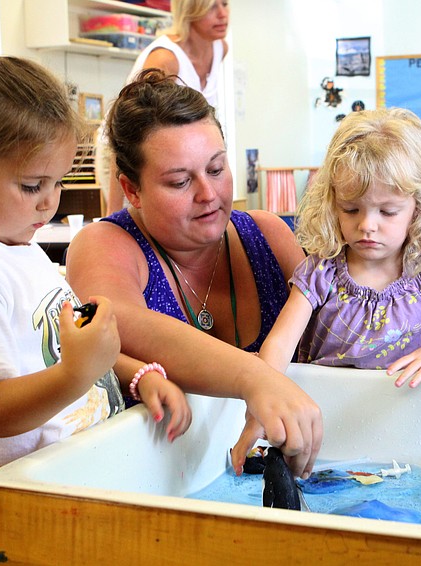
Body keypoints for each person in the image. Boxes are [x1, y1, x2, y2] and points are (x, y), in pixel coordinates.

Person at [0, 27, 191, 478]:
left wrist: (138, 374)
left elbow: (71, 348)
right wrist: (75, 376)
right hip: (10, 505)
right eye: (31, 185)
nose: (50, 202)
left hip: (71, 475)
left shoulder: (11, 241)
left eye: (58, 182)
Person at [66, 70, 321, 478]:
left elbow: (337, 332)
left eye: (217, 169)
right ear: (132, 190)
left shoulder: (269, 235)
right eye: (180, 181)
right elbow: (117, 323)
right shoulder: (105, 244)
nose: (208, 194)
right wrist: (256, 378)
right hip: (157, 483)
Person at [258, 108, 421, 389]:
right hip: (329, 414)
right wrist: (263, 392)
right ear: (333, 203)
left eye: (388, 212)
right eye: (351, 209)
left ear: (419, 209)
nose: (367, 225)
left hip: (409, 417)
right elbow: (279, 346)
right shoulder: (320, 273)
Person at [106, 0, 230, 212]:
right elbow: (129, 134)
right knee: (131, 224)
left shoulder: (220, 48)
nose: (222, 14)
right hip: (123, 150)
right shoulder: (166, 58)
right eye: (211, 6)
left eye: (225, 4)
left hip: (174, 156)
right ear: (189, 11)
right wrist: (111, 215)